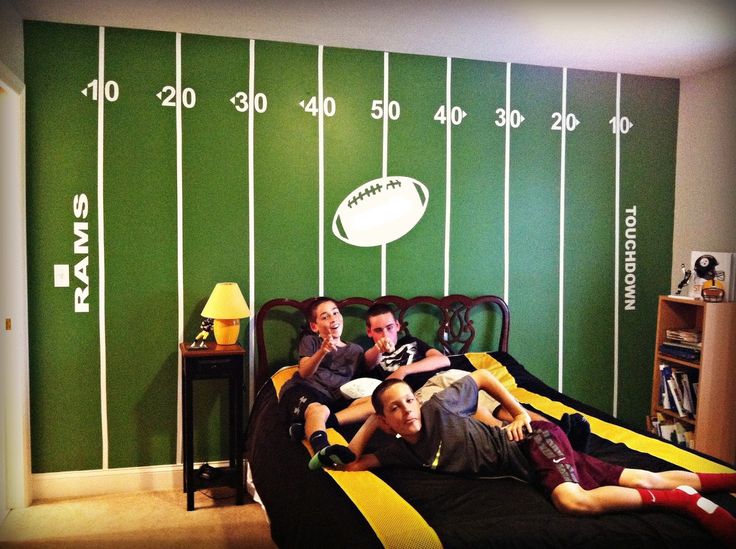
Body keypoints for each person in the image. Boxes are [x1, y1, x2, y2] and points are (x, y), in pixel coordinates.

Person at [338, 372, 736, 545]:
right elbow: (352, 462)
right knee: (642, 478)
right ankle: (725, 481)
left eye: (409, 400)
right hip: (534, 463)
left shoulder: (439, 407)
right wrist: (372, 420)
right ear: (386, 421)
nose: (408, 409)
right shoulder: (398, 451)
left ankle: (684, 502)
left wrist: (521, 412)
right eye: (394, 408)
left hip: (533, 441)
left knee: (571, 500)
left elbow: (481, 377)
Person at [279, 297, 369, 470]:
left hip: (335, 399)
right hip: (305, 389)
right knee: (320, 410)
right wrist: (322, 351)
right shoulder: (311, 341)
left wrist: (379, 350)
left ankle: (305, 428)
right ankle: (322, 450)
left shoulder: (356, 350)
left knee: (376, 402)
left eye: (335, 312)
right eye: (325, 316)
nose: (333, 318)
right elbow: (305, 372)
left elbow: (367, 370)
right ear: (315, 326)